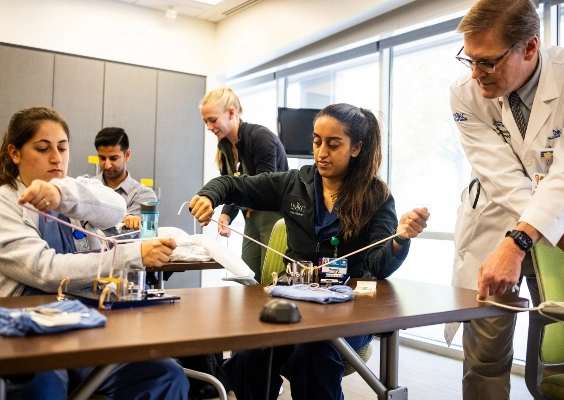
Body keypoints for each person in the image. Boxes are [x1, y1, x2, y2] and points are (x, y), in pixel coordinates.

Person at [190, 103, 430, 400]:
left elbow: (379, 266)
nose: (321, 152)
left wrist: (400, 239)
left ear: (356, 148)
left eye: (333, 144)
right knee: (250, 354)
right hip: (298, 302)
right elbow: (230, 184)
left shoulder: (376, 196)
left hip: (351, 310)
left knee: (312, 354)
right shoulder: (294, 183)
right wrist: (208, 196)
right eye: (317, 142)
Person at [0, 107, 189, 399]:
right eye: (43, 148)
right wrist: (133, 256)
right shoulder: (5, 203)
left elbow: (115, 207)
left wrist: (62, 195)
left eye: (63, 148)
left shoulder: (77, 189)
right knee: (43, 387)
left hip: (83, 327)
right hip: (28, 334)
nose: (56, 158)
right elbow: (45, 271)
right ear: (15, 152)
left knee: (164, 375)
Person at [447, 0, 564, 398]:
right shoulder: (465, 93)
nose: (477, 74)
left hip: (560, 219)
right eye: (470, 59)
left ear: (529, 47)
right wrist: (520, 240)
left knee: (558, 350)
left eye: (488, 62)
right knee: (485, 354)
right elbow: (499, 175)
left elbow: (562, 173)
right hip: (496, 223)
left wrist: (542, 229)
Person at [200, 87, 289, 282]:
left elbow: (265, 185)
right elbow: (231, 186)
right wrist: (226, 214)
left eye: (212, 120)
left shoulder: (260, 137)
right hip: (250, 217)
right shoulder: (223, 147)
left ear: (231, 112)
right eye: (205, 121)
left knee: (271, 278)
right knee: (248, 277)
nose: (208, 126)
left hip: (272, 217)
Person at [87, 127, 158, 239]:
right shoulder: (88, 185)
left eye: (113, 158)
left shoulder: (147, 196)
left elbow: (149, 238)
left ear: (127, 155)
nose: (107, 165)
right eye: (102, 158)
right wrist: (124, 218)